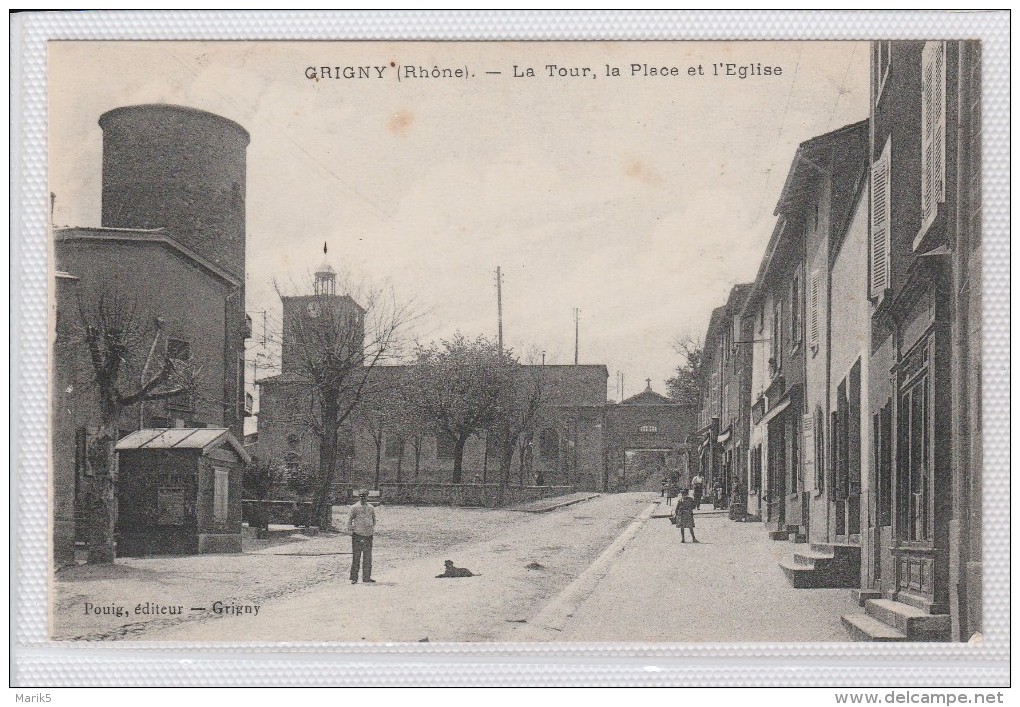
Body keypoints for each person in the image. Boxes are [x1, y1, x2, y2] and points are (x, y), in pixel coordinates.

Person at [348, 490, 377, 584]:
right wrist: (352, 530)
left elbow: (374, 520)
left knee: (367, 557)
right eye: (361, 496)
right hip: (357, 535)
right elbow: (349, 521)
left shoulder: (371, 508)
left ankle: (366, 577)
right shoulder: (354, 507)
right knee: (356, 556)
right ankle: (354, 578)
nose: (362, 498)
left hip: (368, 535)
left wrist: (371, 528)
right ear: (358, 497)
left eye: (364, 496)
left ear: (367, 497)